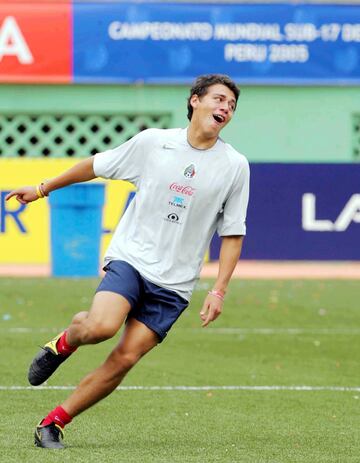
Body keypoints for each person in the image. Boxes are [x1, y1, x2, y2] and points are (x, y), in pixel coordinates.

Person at [6, 74, 250, 449]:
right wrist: (42, 189)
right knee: (102, 327)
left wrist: (219, 290)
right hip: (132, 258)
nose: (225, 108)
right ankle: (65, 343)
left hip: (176, 284)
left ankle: (53, 424)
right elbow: (95, 165)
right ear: (194, 101)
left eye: (231, 106)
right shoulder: (154, 142)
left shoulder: (235, 166)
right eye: (218, 99)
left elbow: (233, 232)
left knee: (124, 359)